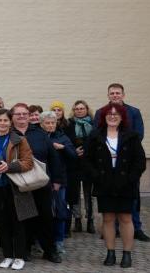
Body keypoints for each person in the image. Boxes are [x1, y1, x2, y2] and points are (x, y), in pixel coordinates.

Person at [85, 103, 146, 268]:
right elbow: (87, 160)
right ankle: (110, 253)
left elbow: (140, 161)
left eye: (116, 114)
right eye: (109, 114)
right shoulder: (95, 135)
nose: (112, 116)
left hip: (125, 184)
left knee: (126, 218)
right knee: (108, 218)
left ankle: (127, 254)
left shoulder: (131, 136)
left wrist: (130, 178)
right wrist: (97, 177)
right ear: (104, 117)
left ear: (121, 117)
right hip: (104, 183)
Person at [0, 108, 36, 271]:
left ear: (11, 122)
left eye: (5, 120)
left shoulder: (19, 140)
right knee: (2, 223)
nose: (2, 123)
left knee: (18, 222)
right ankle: (8, 255)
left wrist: (9, 167)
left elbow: (28, 162)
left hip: (15, 188)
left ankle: (19, 256)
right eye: (0, 120)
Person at [92, 83, 149, 242]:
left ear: (123, 95)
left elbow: (139, 135)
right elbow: (96, 135)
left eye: (118, 93)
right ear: (108, 95)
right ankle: (112, 229)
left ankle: (136, 228)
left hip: (127, 164)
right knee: (109, 200)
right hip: (107, 166)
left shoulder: (134, 112)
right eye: (112, 93)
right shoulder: (100, 112)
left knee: (132, 197)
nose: (115, 95)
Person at [10, 103, 63, 263]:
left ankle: (50, 250)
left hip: (41, 183)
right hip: (18, 183)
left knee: (46, 217)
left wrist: (57, 180)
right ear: (12, 117)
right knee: (23, 218)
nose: (21, 116)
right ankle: (24, 250)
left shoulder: (40, 133)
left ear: (29, 115)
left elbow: (53, 157)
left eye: (24, 113)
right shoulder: (8, 135)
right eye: (17, 114)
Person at [40, 110, 76, 254]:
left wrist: (63, 148)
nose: (50, 125)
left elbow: (73, 156)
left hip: (59, 181)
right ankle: (41, 241)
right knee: (43, 212)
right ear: (41, 124)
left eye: (52, 123)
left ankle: (59, 240)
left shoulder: (62, 137)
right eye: (47, 123)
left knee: (59, 212)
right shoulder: (39, 137)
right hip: (41, 180)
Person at [68, 100, 96, 234]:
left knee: (88, 194)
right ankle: (77, 220)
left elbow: (96, 141)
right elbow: (66, 140)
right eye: (76, 109)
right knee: (75, 194)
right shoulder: (69, 123)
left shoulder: (93, 123)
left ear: (86, 109)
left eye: (82, 108)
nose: (79, 111)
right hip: (74, 162)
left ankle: (90, 220)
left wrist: (86, 150)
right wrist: (74, 151)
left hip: (89, 163)